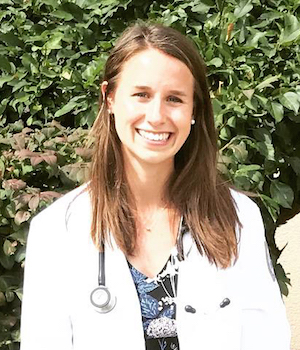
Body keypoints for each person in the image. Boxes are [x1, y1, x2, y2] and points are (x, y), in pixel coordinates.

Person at [20, 23, 290, 350]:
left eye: (174, 99)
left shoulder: (237, 218)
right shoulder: (56, 232)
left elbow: (267, 340)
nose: (157, 116)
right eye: (141, 95)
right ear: (109, 99)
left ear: (194, 111)